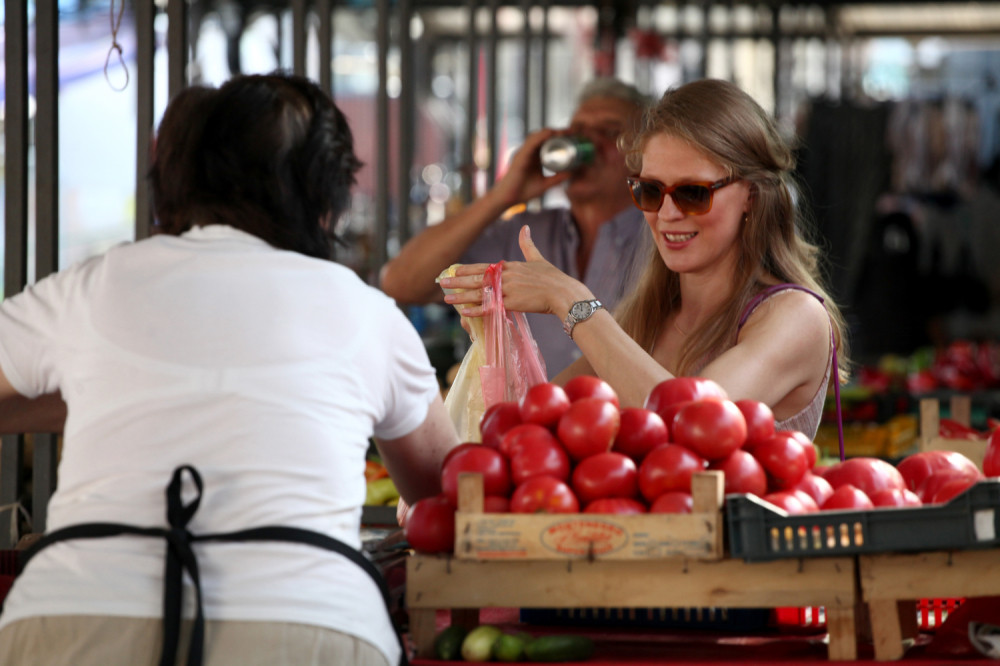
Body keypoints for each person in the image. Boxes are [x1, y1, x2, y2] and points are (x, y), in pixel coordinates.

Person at [0, 72, 459, 666]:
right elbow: (443, 493)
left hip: (72, 615)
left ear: (174, 181)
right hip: (309, 622)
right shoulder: (364, 312)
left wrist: (118, 388)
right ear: (325, 197)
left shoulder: (92, 285)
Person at [439, 78, 850, 440]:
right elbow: (535, 423)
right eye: (650, 191)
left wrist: (569, 299)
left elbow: (693, 426)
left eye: (692, 193)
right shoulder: (645, 320)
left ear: (752, 196)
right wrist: (497, 337)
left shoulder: (796, 316)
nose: (667, 213)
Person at [380, 78, 651, 378]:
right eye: (578, 133)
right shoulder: (526, 235)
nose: (588, 146)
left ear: (644, 154)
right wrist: (502, 195)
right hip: (528, 422)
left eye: (609, 132)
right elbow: (401, 282)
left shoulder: (660, 239)